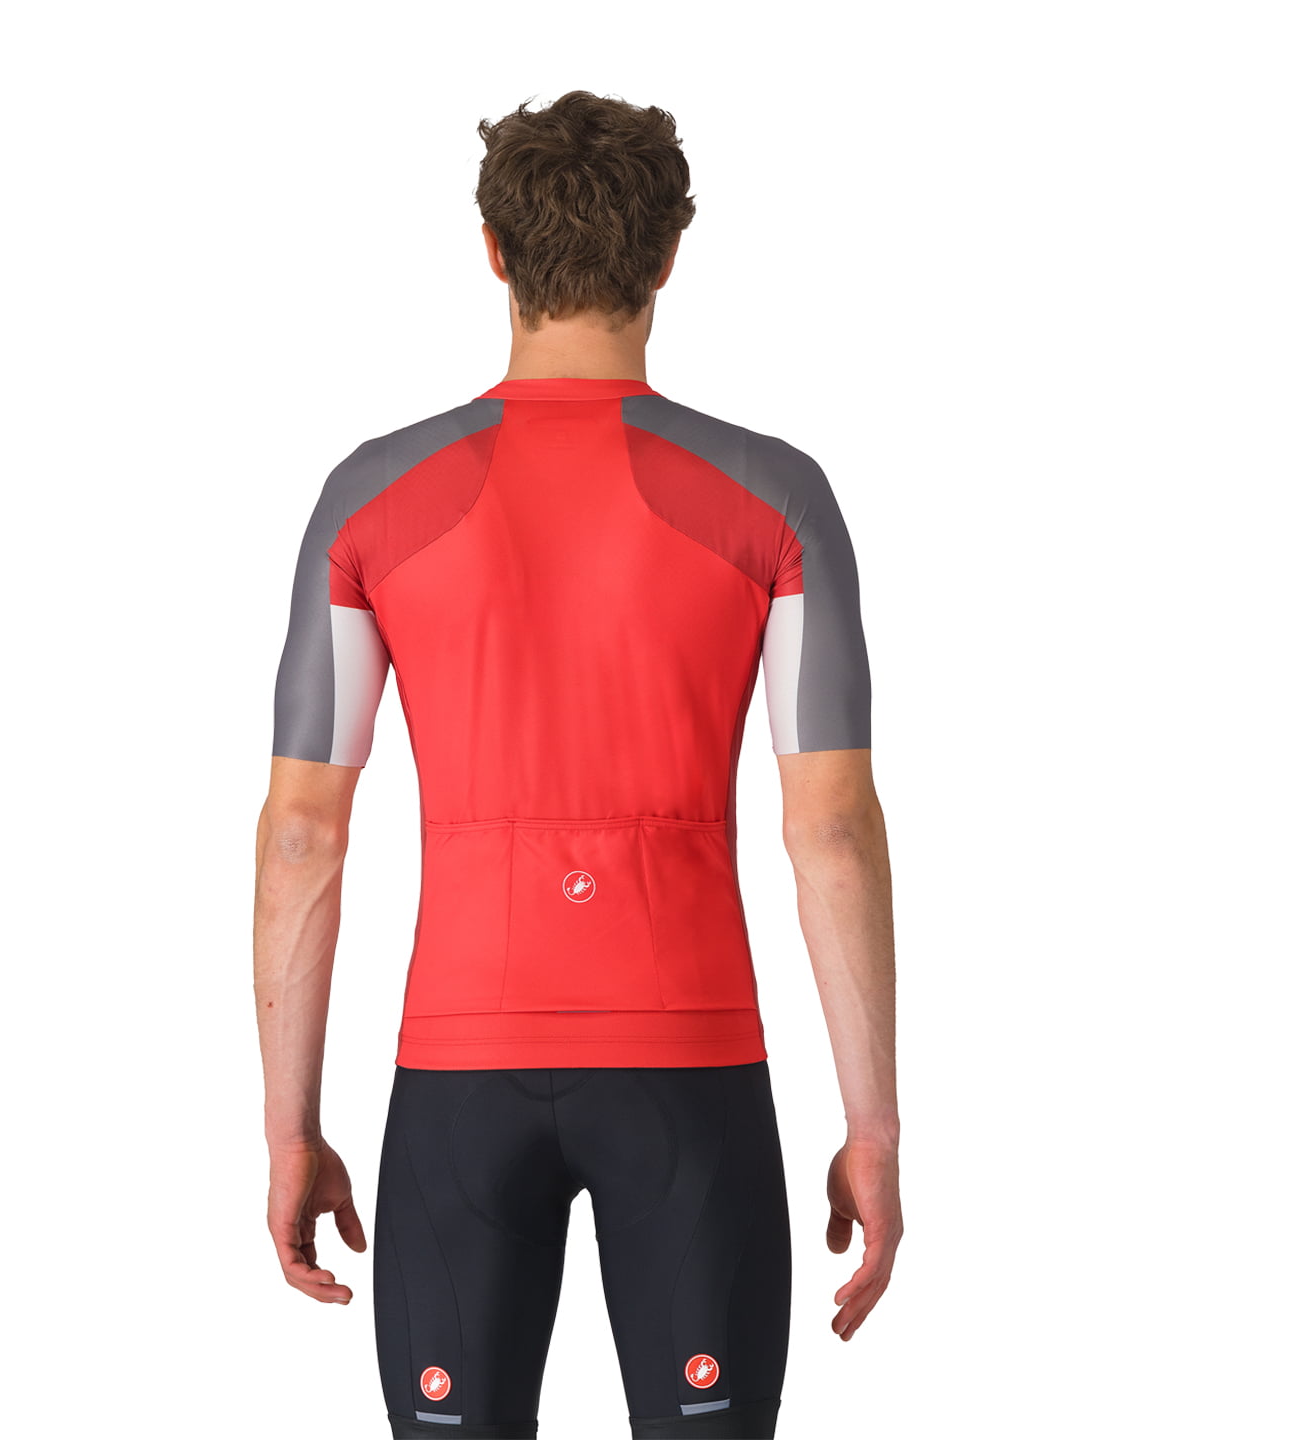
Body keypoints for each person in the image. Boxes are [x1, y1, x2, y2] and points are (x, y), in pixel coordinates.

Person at [253, 90, 901, 1440]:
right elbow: (830, 828)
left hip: (458, 1073)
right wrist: (873, 1128)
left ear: (493, 251)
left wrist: (290, 1129)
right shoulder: (776, 497)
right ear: (668, 255)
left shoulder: (369, 498)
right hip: (691, 1068)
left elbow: (305, 831)